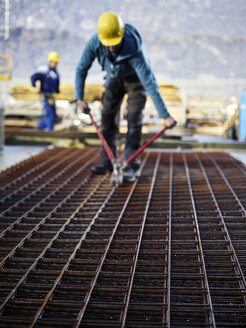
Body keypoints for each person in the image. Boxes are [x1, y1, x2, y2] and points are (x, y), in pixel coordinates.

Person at [75, 12, 176, 182]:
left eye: (115, 43)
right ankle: (107, 162)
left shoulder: (135, 52)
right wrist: (79, 98)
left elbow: (150, 84)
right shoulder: (96, 42)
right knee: (107, 119)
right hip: (114, 77)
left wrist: (165, 115)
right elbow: (81, 69)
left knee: (133, 120)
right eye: (108, 44)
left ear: (121, 35)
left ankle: (130, 165)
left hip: (136, 82)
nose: (112, 47)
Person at [31, 51, 61, 131]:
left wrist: (57, 91)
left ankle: (39, 128)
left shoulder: (55, 73)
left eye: (57, 62)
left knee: (53, 116)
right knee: (49, 115)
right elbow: (34, 77)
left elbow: (57, 84)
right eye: (55, 62)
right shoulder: (44, 71)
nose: (56, 64)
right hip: (45, 97)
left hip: (51, 97)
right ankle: (50, 133)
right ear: (50, 61)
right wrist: (34, 85)